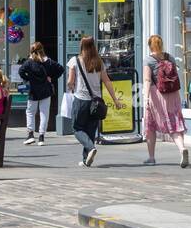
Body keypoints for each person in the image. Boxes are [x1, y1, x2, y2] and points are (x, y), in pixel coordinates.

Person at [66, 37, 124, 168]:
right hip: (96, 102)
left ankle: (90, 148)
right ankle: (86, 159)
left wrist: (70, 86)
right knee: (90, 130)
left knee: (77, 128)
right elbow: (107, 81)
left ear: (81, 46)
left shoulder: (74, 61)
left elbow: (70, 81)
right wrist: (115, 99)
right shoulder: (99, 62)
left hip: (81, 100)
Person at [142, 34, 190, 167]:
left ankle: (151, 158)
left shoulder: (148, 60)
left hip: (157, 95)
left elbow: (147, 80)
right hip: (173, 94)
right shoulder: (170, 58)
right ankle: (182, 149)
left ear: (149, 45)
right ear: (161, 44)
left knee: (150, 125)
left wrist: (145, 98)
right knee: (175, 124)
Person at [18, 42, 62, 146]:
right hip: (46, 90)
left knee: (30, 112)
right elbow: (61, 69)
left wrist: (29, 78)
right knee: (44, 113)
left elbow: (21, 71)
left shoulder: (29, 62)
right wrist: (51, 77)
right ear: (42, 50)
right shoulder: (49, 61)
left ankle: (30, 135)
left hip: (33, 90)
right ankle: (41, 137)